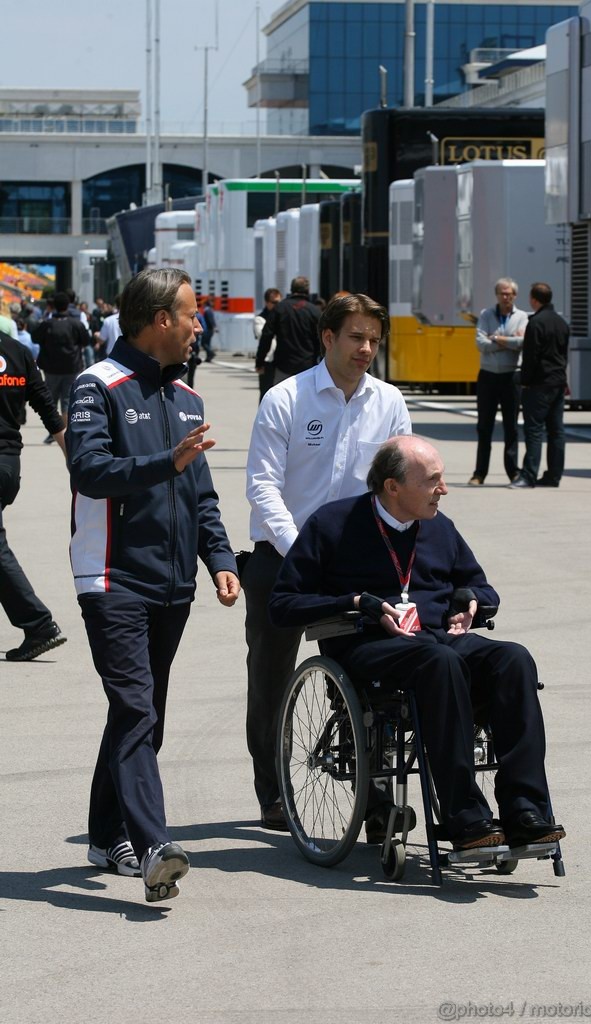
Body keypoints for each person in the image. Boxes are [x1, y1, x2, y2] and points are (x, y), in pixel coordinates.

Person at [270, 436, 566, 853]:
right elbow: (283, 604)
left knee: (513, 659)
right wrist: (356, 602)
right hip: (368, 646)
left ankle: (525, 810)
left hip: (437, 640)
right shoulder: (333, 524)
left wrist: (472, 602)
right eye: (433, 481)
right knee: (439, 661)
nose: (443, 490)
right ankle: (465, 817)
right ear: (393, 487)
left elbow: (479, 585)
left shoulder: (439, 527)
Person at [67, 267, 240, 903]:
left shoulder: (188, 398)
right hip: (111, 579)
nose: (200, 326)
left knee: (142, 714)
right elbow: (88, 469)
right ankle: (152, 847)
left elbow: (202, 495)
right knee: (138, 708)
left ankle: (102, 831)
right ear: (159, 320)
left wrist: (219, 557)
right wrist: (164, 462)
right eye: (192, 315)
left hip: (173, 586)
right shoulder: (98, 385)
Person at [244, 292, 411, 832]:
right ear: (328, 338)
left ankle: (375, 802)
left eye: (374, 340)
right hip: (283, 557)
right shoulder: (285, 399)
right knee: (271, 680)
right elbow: (262, 487)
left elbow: (400, 484)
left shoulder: (388, 403)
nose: (366, 349)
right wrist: (302, 552)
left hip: (357, 565)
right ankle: (272, 792)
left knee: (377, 679)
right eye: (357, 337)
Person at [0, 327, 67, 661]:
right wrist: (75, 460)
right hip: (9, 465)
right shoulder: (16, 351)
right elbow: (46, 406)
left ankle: (38, 624)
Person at [510, 282, 570, 489]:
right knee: (556, 431)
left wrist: (524, 382)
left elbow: (531, 358)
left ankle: (528, 475)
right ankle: (554, 475)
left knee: (534, 431)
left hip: (538, 385)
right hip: (558, 382)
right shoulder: (562, 323)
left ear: (533, 299)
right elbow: (563, 355)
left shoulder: (535, 323)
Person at [469, 278, 527, 486]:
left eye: (510, 294)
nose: (506, 297)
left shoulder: (522, 317)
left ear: (515, 295)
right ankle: (479, 473)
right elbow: (480, 343)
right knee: (484, 426)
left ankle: (513, 471)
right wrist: (508, 341)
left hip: (511, 376)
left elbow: (523, 342)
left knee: (511, 427)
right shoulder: (486, 315)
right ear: (497, 295)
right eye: (502, 293)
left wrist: (497, 339)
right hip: (488, 375)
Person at [33, 291, 90, 435]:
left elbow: (35, 338)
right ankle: (66, 432)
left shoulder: (47, 324)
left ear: (53, 306)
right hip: (72, 366)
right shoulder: (75, 324)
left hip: (51, 368)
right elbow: (86, 341)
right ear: (68, 305)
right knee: (68, 400)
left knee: (51, 400)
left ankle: (55, 430)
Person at [255, 275, 321, 385]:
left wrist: (260, 361)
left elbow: (266, 335)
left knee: (282, 398)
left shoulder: (279, 308)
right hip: (308, 365)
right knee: (306, 399)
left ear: (291, 289)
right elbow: (321, 339)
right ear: (308, 290)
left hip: (283, 365)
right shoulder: (314, 311)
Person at [253, 287, 281, 401]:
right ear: (267, 303)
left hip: (280, 360)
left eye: (279, 302)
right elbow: (263, 335)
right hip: (267, 360)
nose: (277, 305)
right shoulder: (260, 318)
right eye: (274, 302)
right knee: (266, 394)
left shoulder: (283, 316)